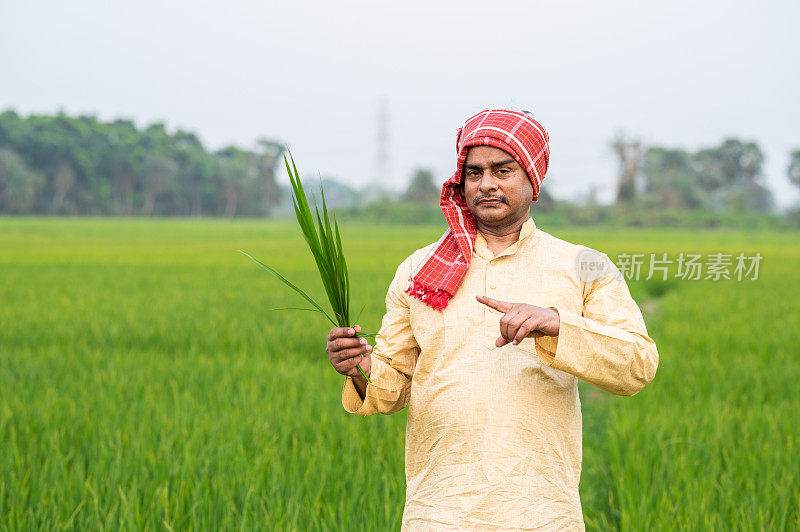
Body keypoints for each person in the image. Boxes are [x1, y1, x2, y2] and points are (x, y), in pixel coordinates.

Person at [325, 109, 659, 530]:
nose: (486, 184)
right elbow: (390, 390)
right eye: (474, 172)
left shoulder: (584, 265)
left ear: (532, 180)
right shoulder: (421, 270)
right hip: (438, 511)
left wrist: (556, 323)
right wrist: (358, 364)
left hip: (541, 512)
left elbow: (637, 365)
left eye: (503, 170)